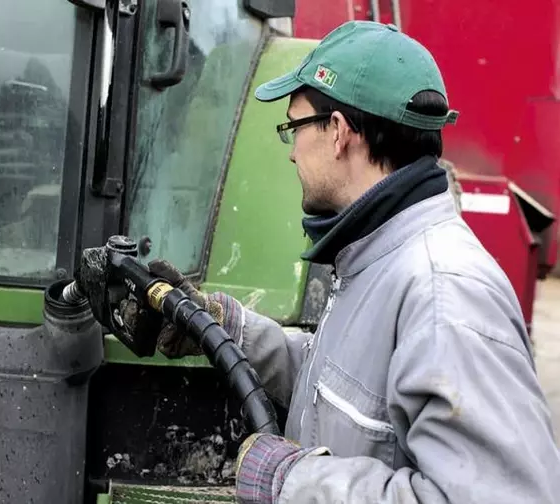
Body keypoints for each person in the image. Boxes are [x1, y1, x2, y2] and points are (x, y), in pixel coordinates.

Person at [139, 20, 560, 503]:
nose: (292, 153)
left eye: (292, 128)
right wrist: (228, 328)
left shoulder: (445, 296)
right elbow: (350, 396)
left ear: (337, 132)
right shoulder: (379, 257)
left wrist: (292, 483)